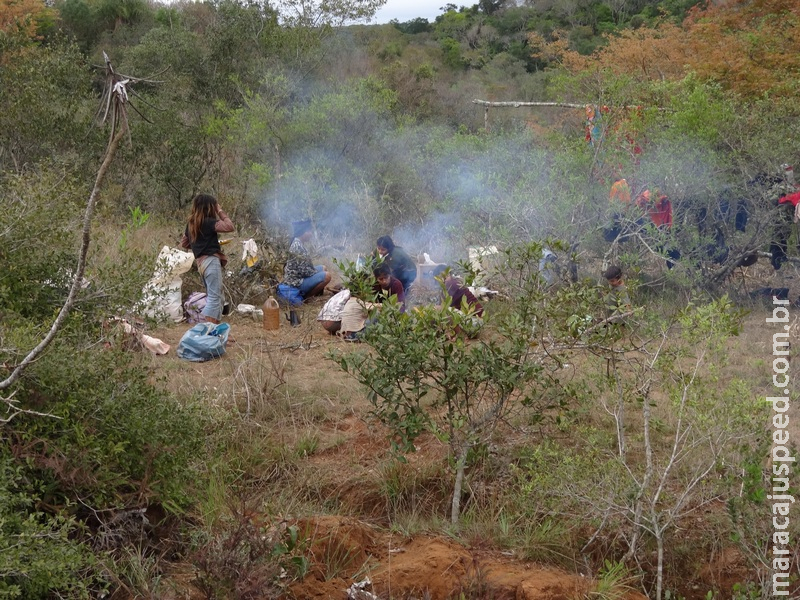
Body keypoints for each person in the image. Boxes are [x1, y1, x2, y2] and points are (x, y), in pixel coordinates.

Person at [180, 193, 234, 324]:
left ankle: (215, 330)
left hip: (201, 263)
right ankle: (209, 331)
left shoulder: (191, 224)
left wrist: (199, 243)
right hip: (210, 261)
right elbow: (229, 226)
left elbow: (184, 243)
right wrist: (220, 211)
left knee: (217, 298)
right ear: (210, 207)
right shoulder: (209, 222)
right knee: (215, 299)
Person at [283, 219, 331, 301]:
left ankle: (316, 294)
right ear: (302, 233)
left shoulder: (298, 242)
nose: (311, 234)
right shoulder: (297, 246)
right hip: (297, 282)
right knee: (327, 276)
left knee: (323, 268)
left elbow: (305, 268)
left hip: (299, 276)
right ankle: (307, 298)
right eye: (309, 231)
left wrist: (315, 272)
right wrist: (315, 273)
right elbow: (305, 272)